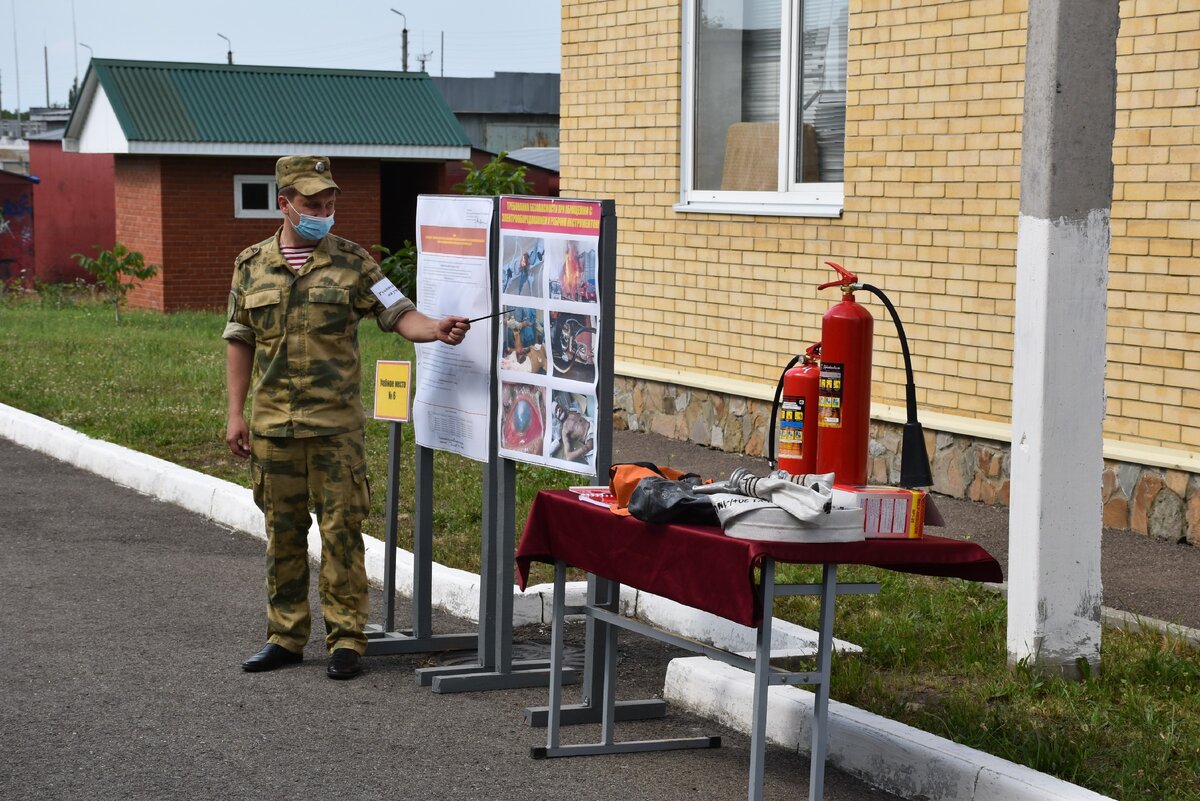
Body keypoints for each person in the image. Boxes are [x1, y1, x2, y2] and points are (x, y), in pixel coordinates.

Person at [223, 155, 470, 680]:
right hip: (274, 427)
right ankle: (285, 637)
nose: (325, 211)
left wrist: (436, 329)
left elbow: (399, 313)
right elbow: (240, 340)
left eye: (330, 201)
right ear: (284, 203)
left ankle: (346, 641)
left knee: (341, 533)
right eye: (313, 203)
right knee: (282, 533)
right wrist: (235, 414)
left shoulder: (354, 263)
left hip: (336, 427)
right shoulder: (250, 265)